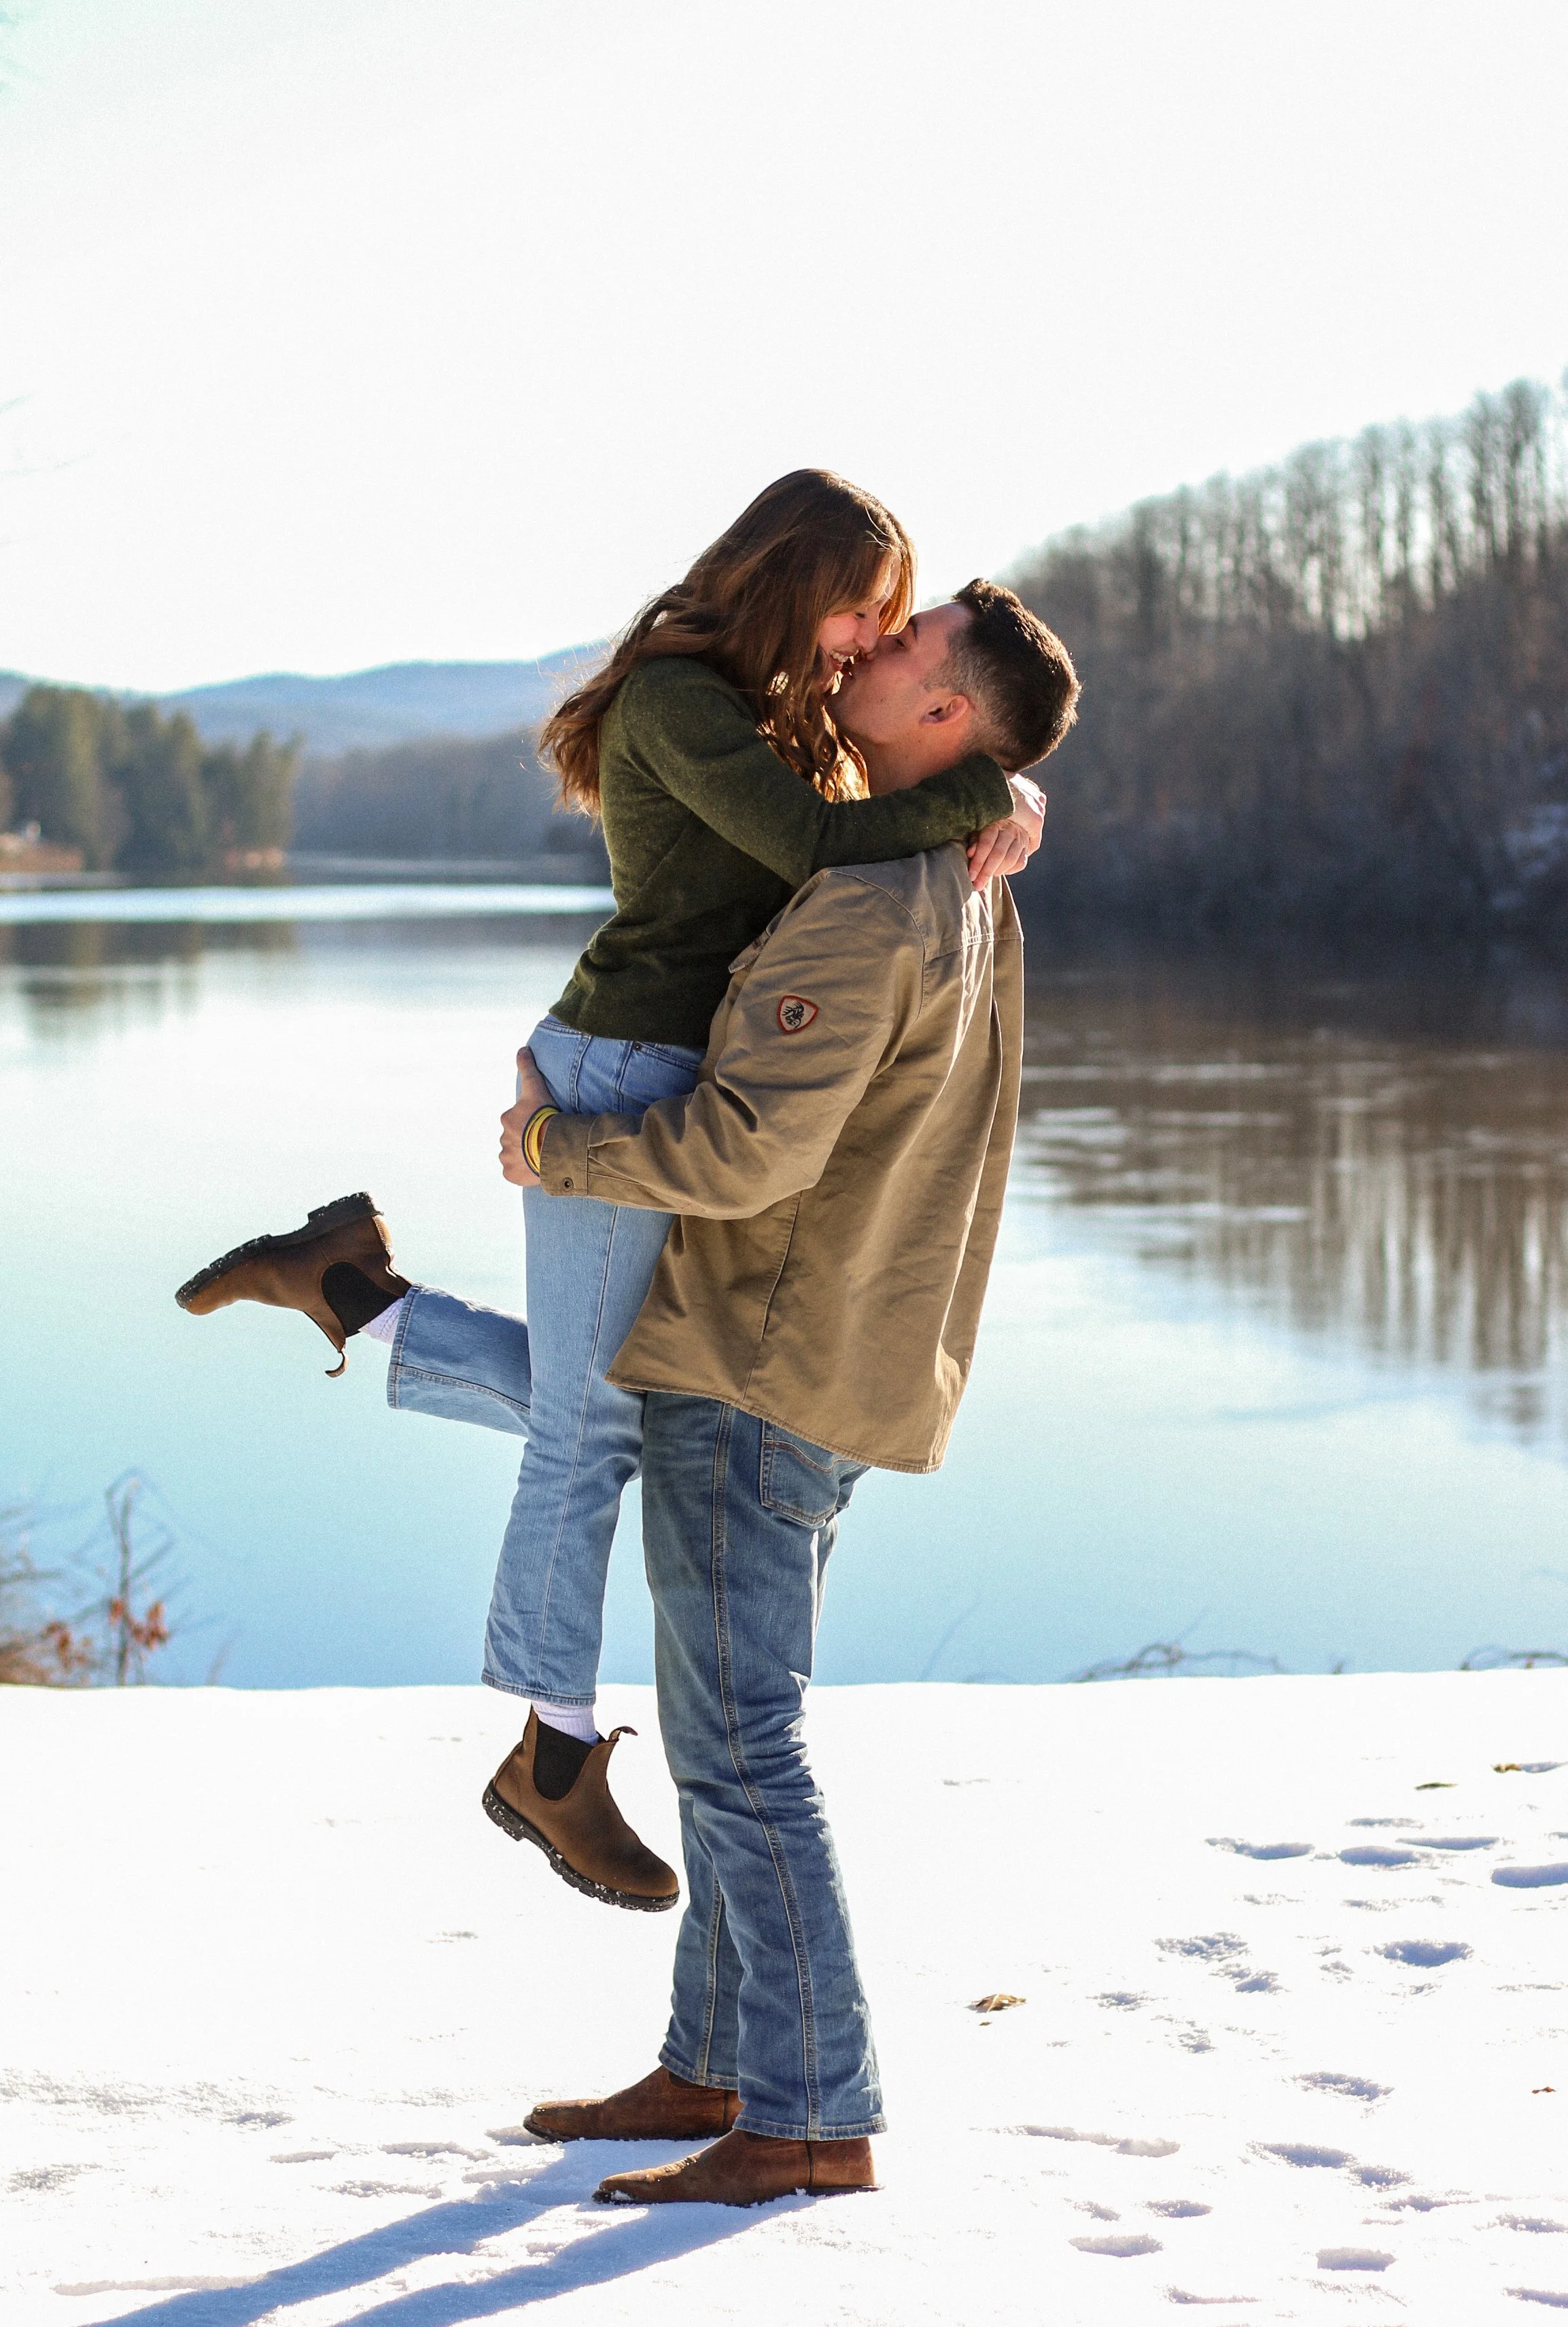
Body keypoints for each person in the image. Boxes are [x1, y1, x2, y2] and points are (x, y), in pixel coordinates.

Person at [175, 474, 1045, 1911]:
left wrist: (1006, 789)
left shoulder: (775, 712)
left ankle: (349, 1288)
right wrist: (988, 784)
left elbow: (879, 807)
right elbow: (826, 850)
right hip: (616, 1072)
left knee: (628, 1404)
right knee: (592, 1429)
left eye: (894, 629)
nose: (866, 641)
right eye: (863, 609)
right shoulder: (680, 704)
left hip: (667, 1075)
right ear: (793, 573)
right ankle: (551, 1754)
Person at [500, 578, 1079, 2205]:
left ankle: (814, 2108)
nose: (870, 649)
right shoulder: (962, 877)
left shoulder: (874, 898)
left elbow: (750, 1145)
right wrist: (1015, 802)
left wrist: (561, 1141)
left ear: (947, 718)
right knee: (721, 1732)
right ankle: (715, 2062)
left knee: (742, 1744)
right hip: (831, 1361)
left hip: (764, 1366)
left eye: (906, 647)